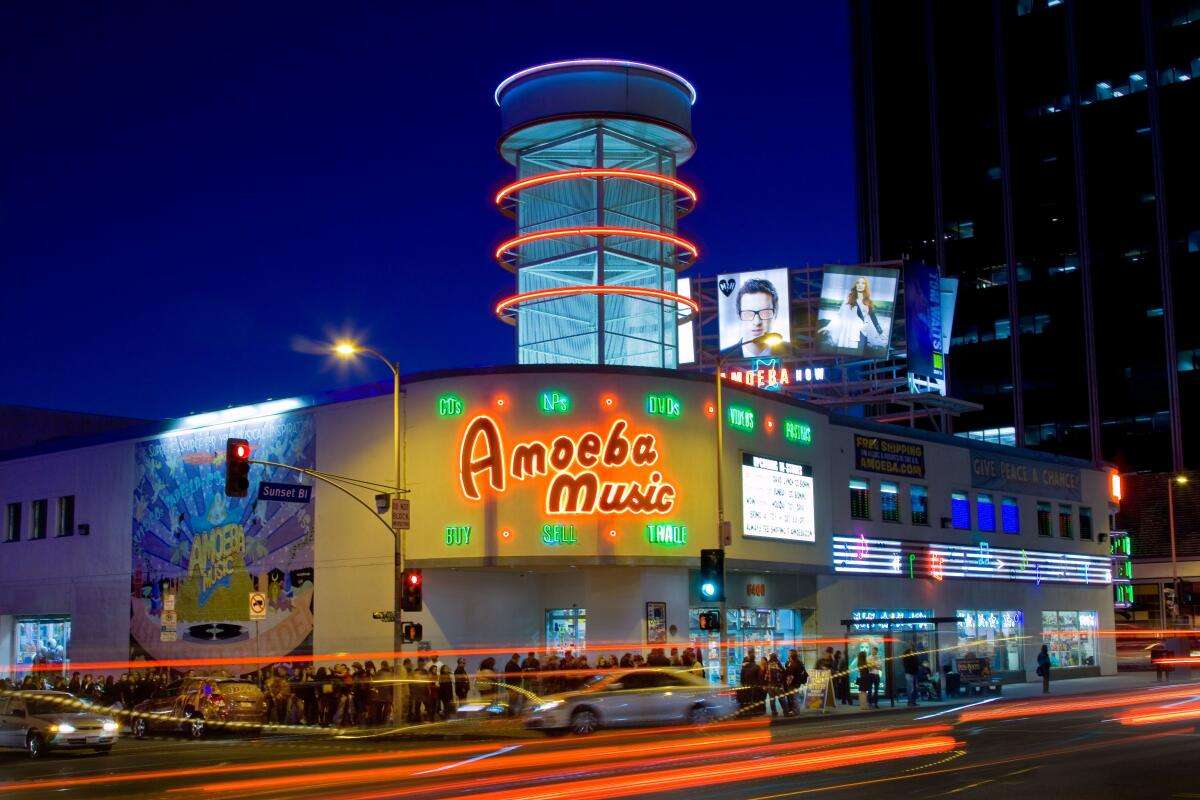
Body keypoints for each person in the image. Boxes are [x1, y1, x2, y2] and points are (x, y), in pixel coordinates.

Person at [721, 278, 786, 358]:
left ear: (775, 314)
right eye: (748, 314)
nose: (757, 322)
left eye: (764, 312)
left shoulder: (793, 353)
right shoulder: (723, 357)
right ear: (739, 317)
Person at [831, 276, 885, 352]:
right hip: (851, 330)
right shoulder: (850, 298)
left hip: (863, 331)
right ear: (855, 285)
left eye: (863, 283)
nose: (860, 285)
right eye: (858, 283)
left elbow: (873, 317)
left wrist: (880, 331)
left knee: (861, 351)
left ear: (865, 286)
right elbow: (842, 313)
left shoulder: (868, 301)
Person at [785, 650, 808, 715]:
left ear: (792, 655)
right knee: (792, 697)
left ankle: (796, 711)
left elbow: (793, 673)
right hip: (792, 682)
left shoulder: (797, 663)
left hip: (794, 683)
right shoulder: (790, 662)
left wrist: (788, 681)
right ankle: (793, 710)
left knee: (794, 697)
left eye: (789, 654)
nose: (788, 655)